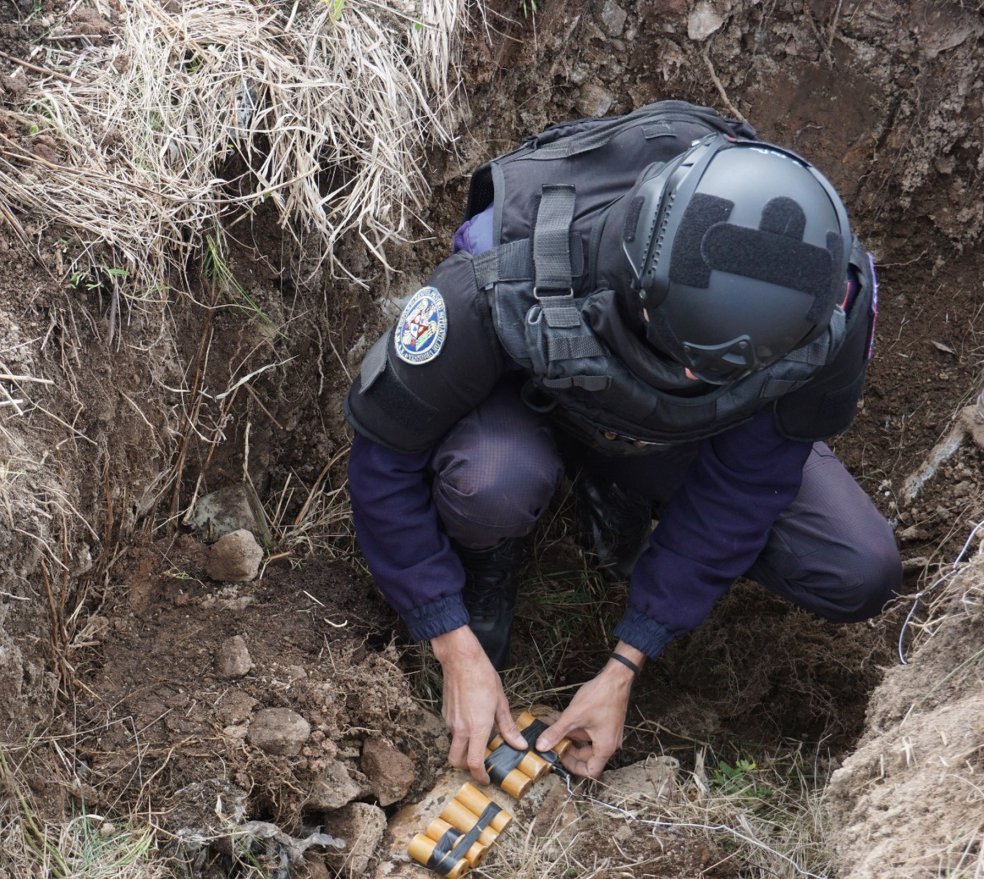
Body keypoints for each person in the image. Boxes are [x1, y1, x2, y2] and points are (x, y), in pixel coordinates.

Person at [343, 101, 900, 783]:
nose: (696, 375)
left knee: (858, 567)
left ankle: (621, 486)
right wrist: (450, 635)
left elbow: (748, 484)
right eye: (685, 359)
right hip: (530, 403)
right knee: (493, 481)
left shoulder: (827, 310)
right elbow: (382, 456)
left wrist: (628, 660)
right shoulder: (503, 266)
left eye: (719, 371)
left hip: (677, 436)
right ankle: (489, 559)